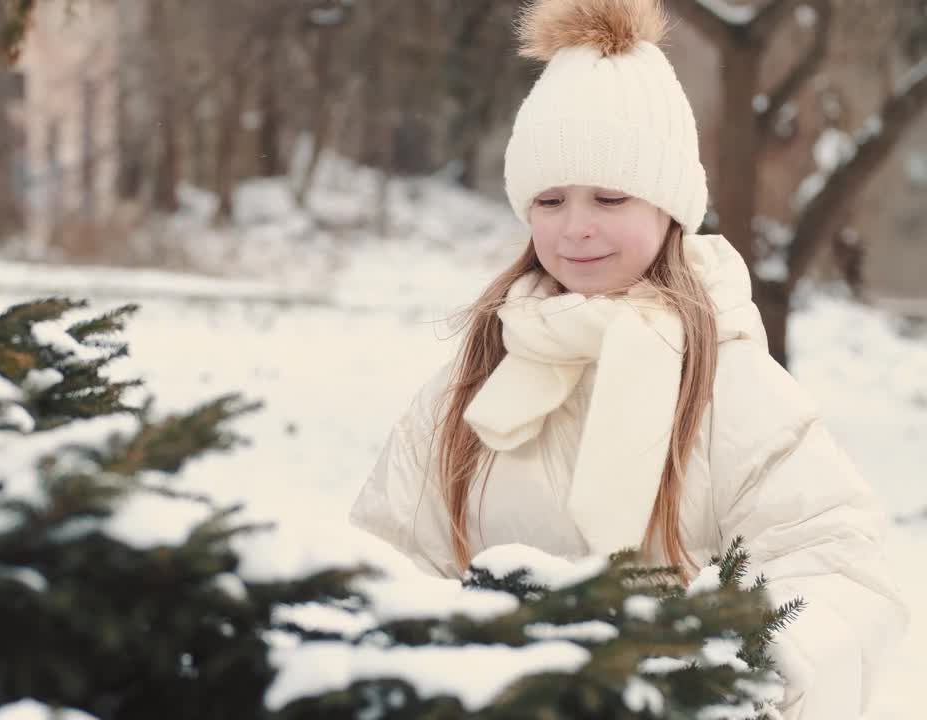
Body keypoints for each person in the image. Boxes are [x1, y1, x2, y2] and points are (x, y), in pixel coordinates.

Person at [347, 0, 909, 717]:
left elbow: (839, 571)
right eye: (549, 200)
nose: (575, 228)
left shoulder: (729, 387)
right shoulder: (472, 384)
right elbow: (386, 561)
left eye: (610, 197)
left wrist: (737, 670)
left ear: (668, 207)